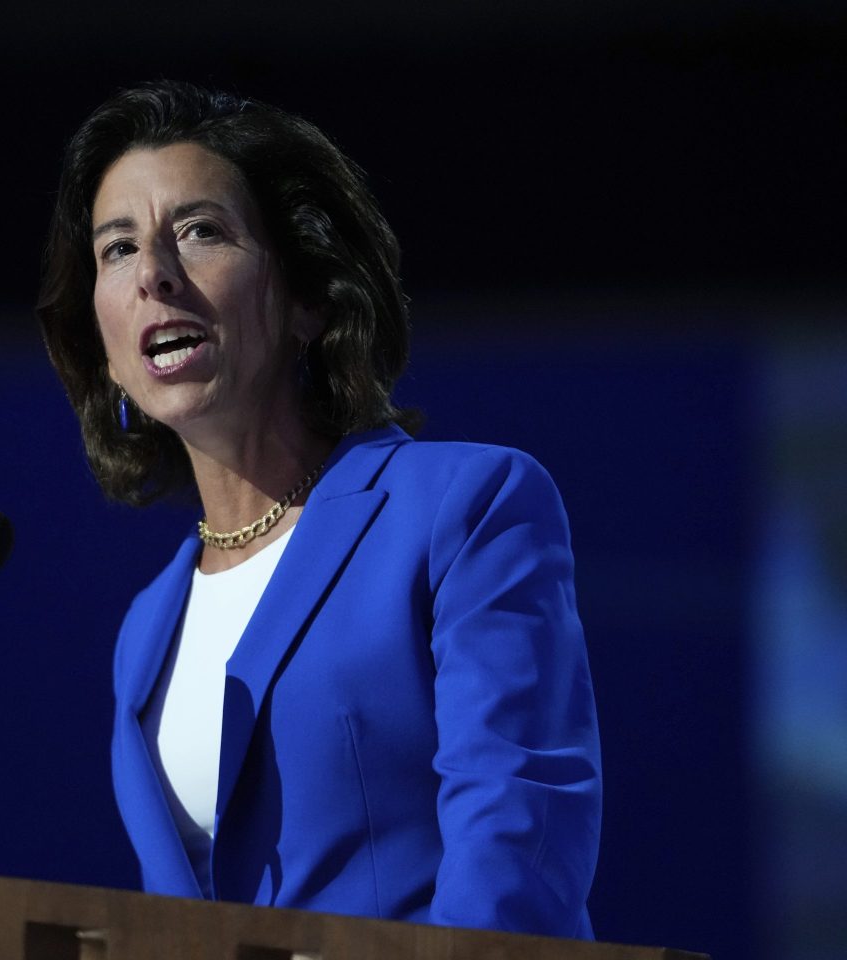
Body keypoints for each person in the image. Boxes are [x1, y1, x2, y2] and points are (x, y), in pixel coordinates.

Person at [36, 80, 601, 939]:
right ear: (108, 350)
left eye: (199, 232)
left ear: (307, 298)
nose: (153, 272)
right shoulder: (146, 631)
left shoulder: (463, 508)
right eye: (117, 249)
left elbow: (517, 842)